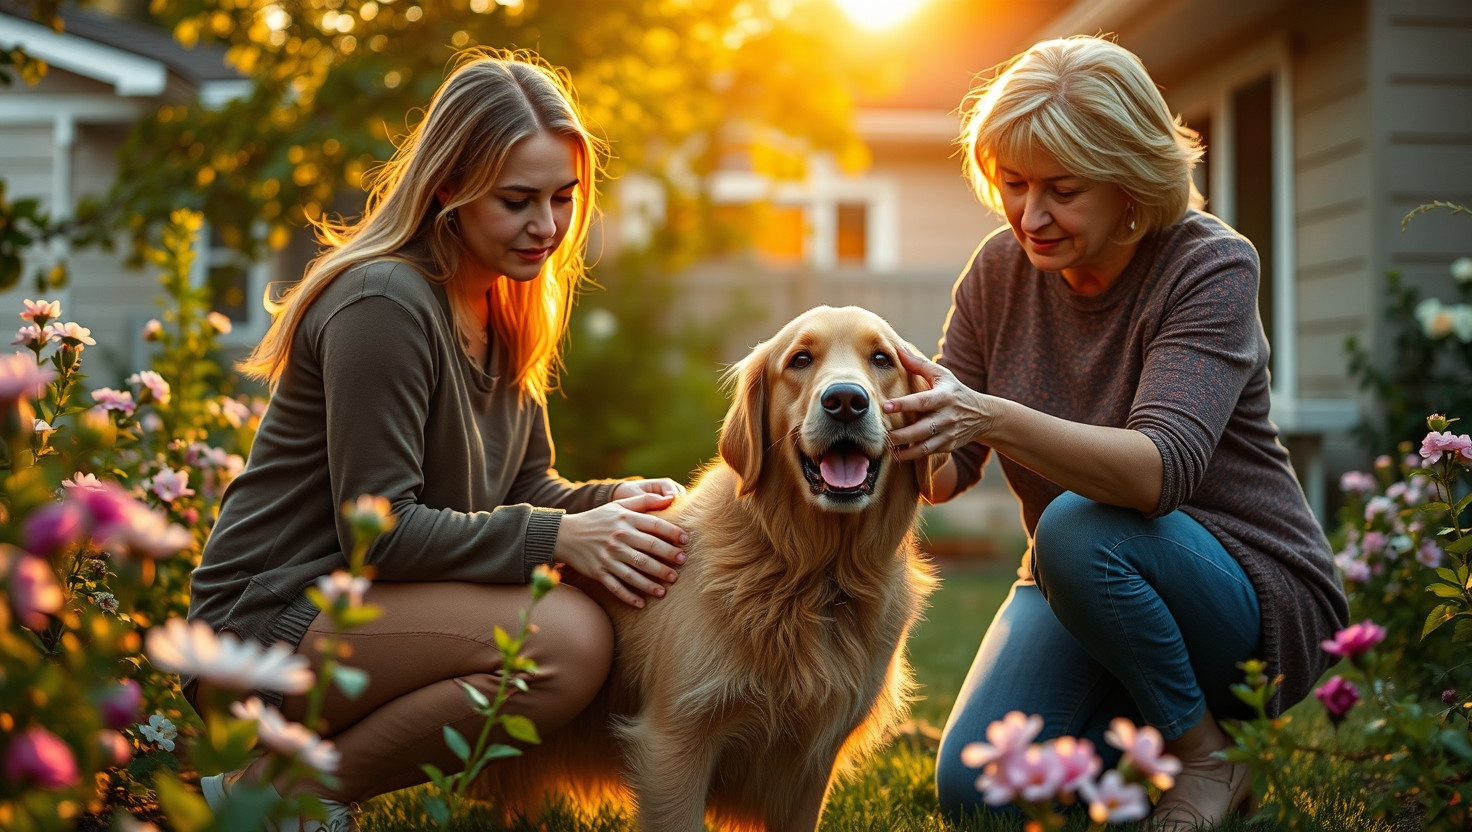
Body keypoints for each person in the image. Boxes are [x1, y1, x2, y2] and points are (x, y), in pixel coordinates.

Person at [184, 50, 690, 830]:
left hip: (360, 614)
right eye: (518, 200)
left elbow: (524, 490)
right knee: (563, 643)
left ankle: (276, 789)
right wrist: (563, 535)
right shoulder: (383, 302)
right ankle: (273, 797)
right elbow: (380, 529)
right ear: (449, 186)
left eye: (563, 198)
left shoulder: (505, 307)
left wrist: (610, 504)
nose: (547, 226)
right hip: (265, 626)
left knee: (575, 620)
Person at [881, 36, 1349, 828]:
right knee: (983, 793)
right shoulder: (998, 271)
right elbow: (948, 468)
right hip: (1082, 581)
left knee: (1075, 524)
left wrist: (986, 412)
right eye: (1013, 183)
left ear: (1130, 182)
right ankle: (1145, 743)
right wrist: (879, 416)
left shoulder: (1208, 266)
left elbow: (1154, 474)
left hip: (1242, 585)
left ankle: (1209, 756)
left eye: (1062, 189)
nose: (1030, 215)